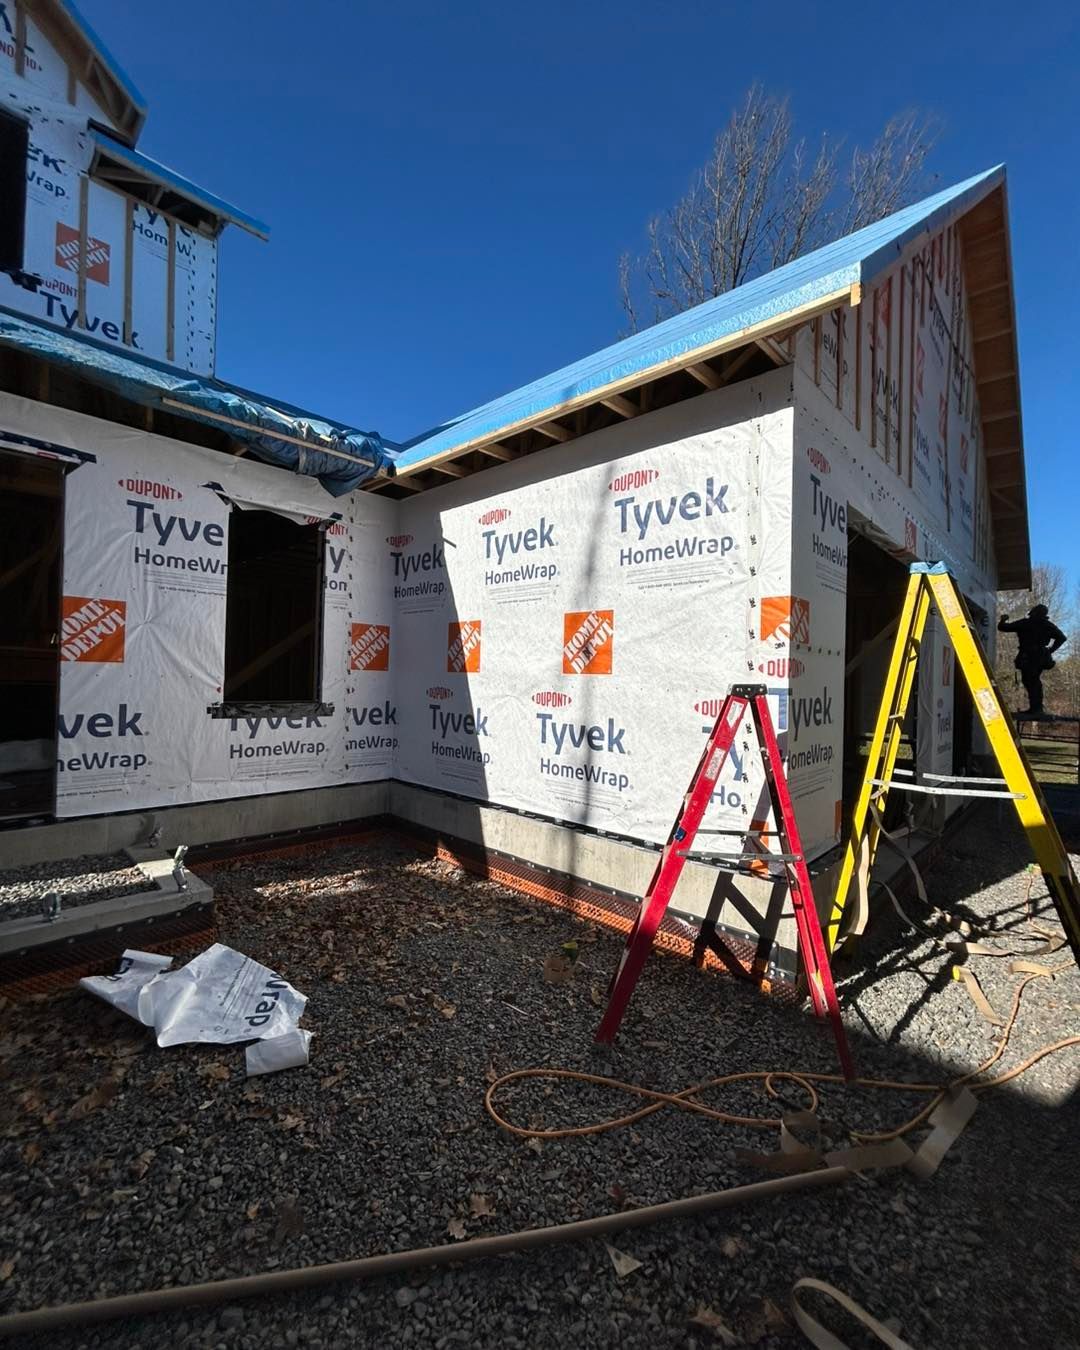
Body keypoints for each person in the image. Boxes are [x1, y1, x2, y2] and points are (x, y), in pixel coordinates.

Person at [998, 604, 1067, 718]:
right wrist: (1050, 650)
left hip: (1028, 657)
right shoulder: (1047, 625)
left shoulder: (1026, 623)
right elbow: (1062, 638)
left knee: (1031, 681)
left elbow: (1004, 628)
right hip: (1040, 657)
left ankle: (1036, 709)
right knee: (1033, 681)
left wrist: (1003, 620)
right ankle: (1036, 708)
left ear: (1033, 612)